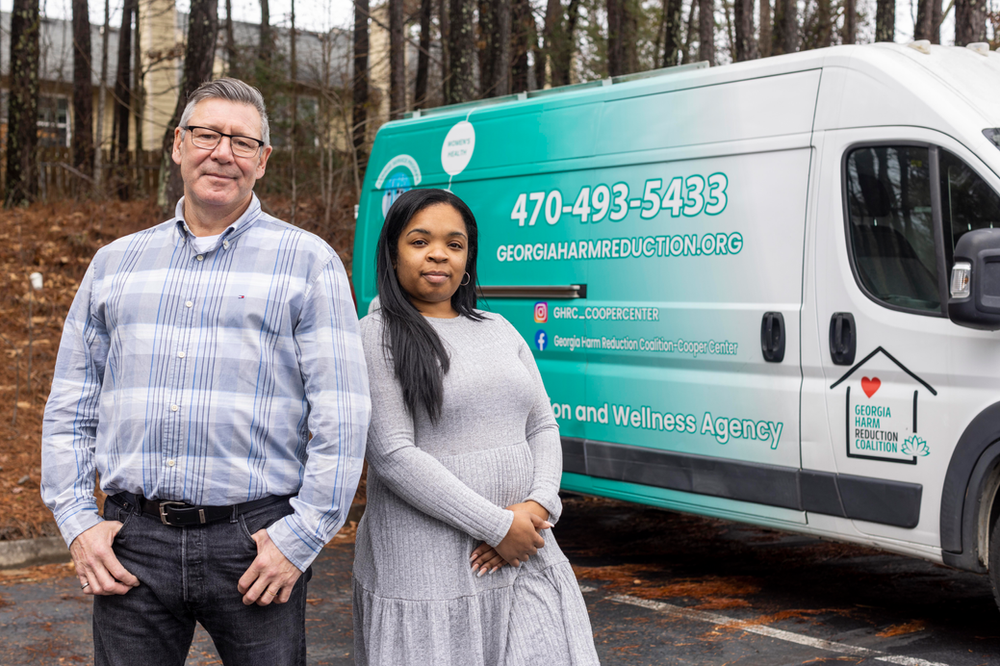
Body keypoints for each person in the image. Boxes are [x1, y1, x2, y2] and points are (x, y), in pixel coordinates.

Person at [40, 78, 370, 666]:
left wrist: (303, 536)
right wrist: (75, 520)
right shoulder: (116, 264)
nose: (223, 152)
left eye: (242, 142)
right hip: (131, 544)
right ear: (177, 144)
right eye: (207, 134)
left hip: (257, 543)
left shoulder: (309, 263)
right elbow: (72, 401)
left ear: (264, 160)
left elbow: (343, 414)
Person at [353, 188, 600, 665]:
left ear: (468, 258)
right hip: (429, 568)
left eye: (455, 243)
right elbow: (393, 455)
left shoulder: (498, 327)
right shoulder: (375, 336)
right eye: (420, 241)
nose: (438, 254)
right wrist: (496, 524)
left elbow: (543, 425)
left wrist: (538, 506)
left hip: (525, 548)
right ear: (392, 252)